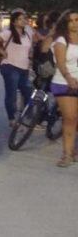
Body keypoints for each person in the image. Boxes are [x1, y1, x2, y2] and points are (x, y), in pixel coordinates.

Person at [0, 11, 35, 126]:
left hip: (24, 68)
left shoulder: (28, 34)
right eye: (20, 19)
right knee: (12, 94)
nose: (23, 21)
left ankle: (27, 114)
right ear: (14, 21)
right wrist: (1, 51)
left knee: (28, 91)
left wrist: (30, 58)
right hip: (10, 66)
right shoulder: (8, 33)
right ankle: (12, 117)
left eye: (24, 18)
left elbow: (28, 50)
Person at [50, 10, 78, 167]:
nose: (74, 23)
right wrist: (69, 78)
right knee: (70, 118)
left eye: (77, 19)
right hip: (64, 83)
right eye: (71, 20)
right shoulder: (61, 40)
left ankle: (74, 150)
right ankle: (67, 154)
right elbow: (60, 63)